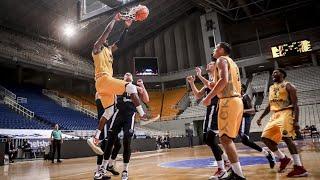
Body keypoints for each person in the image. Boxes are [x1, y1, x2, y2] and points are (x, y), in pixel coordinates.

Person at [88, 13, 158, 155]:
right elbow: (105, 33)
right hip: (103, 79)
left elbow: (120, 43)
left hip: (104, 84)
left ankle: (95, 138)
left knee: (109, 111)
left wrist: (126, 28)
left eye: (106, 40)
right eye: (104, 39)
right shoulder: (96, 49)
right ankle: (143, 116)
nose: (106, 39)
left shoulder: (108, 50)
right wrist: (114, 19)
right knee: (130, 87)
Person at [202, 42, 245, 179]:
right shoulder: (232, 62)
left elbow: (223, 81)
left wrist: (208, 97)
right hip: (236, 100)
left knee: (225, 139)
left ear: (221, 50)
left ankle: (238, 175)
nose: (214, 50)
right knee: (226, 139)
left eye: (215, 48)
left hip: (228, 100)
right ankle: (235, 172)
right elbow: (217, 83)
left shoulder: (221, 60)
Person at [257, 69, 308, 177]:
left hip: (286, 113)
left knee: (287, 138)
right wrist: (261, 117)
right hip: (275, 115)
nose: (273, 74)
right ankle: (283, 158)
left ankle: (299, 167)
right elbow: (269, 105)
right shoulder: (271, 88)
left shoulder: (289, 86)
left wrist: (296, 121)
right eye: (273, 73)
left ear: (283, 75)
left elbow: (295, 105)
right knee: (265, 138)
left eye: (276, 72)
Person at [101, 73, 150, 180]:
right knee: (110, 141)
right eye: (125, 75)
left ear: (132, 79)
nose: (127, 74)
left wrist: (142, 86)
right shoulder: (118, 86)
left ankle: (125, 170)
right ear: (123, 79)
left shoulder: (136, 89)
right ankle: (103, 168)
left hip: (130, 116)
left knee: (127, 142)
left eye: (130, 74)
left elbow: (146, 100)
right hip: (118, 115)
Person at [187, 62, 229, 179]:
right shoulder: (209, 81)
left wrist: (200, 76)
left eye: (211, 64)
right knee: (207, 140)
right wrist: (191, 83)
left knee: (210, 139)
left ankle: (222, 169)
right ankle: (226, 161)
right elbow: (197, 96)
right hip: (209, 111)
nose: (208, 64)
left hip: (217, 110)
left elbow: (212, 86)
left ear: (215, 67)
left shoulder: (219, 77)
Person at [239, 84, 275, 168]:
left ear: (242, 88)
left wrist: (242, 111)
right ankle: (231, 164)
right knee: (243, 141)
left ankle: (267, 153)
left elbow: (252, 110)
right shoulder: (236, 98)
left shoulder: (245, 97)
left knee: (244, 139)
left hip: (245, 119)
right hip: (237, 120)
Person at [94, 92, 122, 180]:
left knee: (118, 145)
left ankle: (110, 165)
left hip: (111, 126)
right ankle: (99, 171)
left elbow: (115, 102)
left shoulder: (104, 98)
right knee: (103, 149)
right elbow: (99, 95)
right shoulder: (102, 98)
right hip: (105, 125)